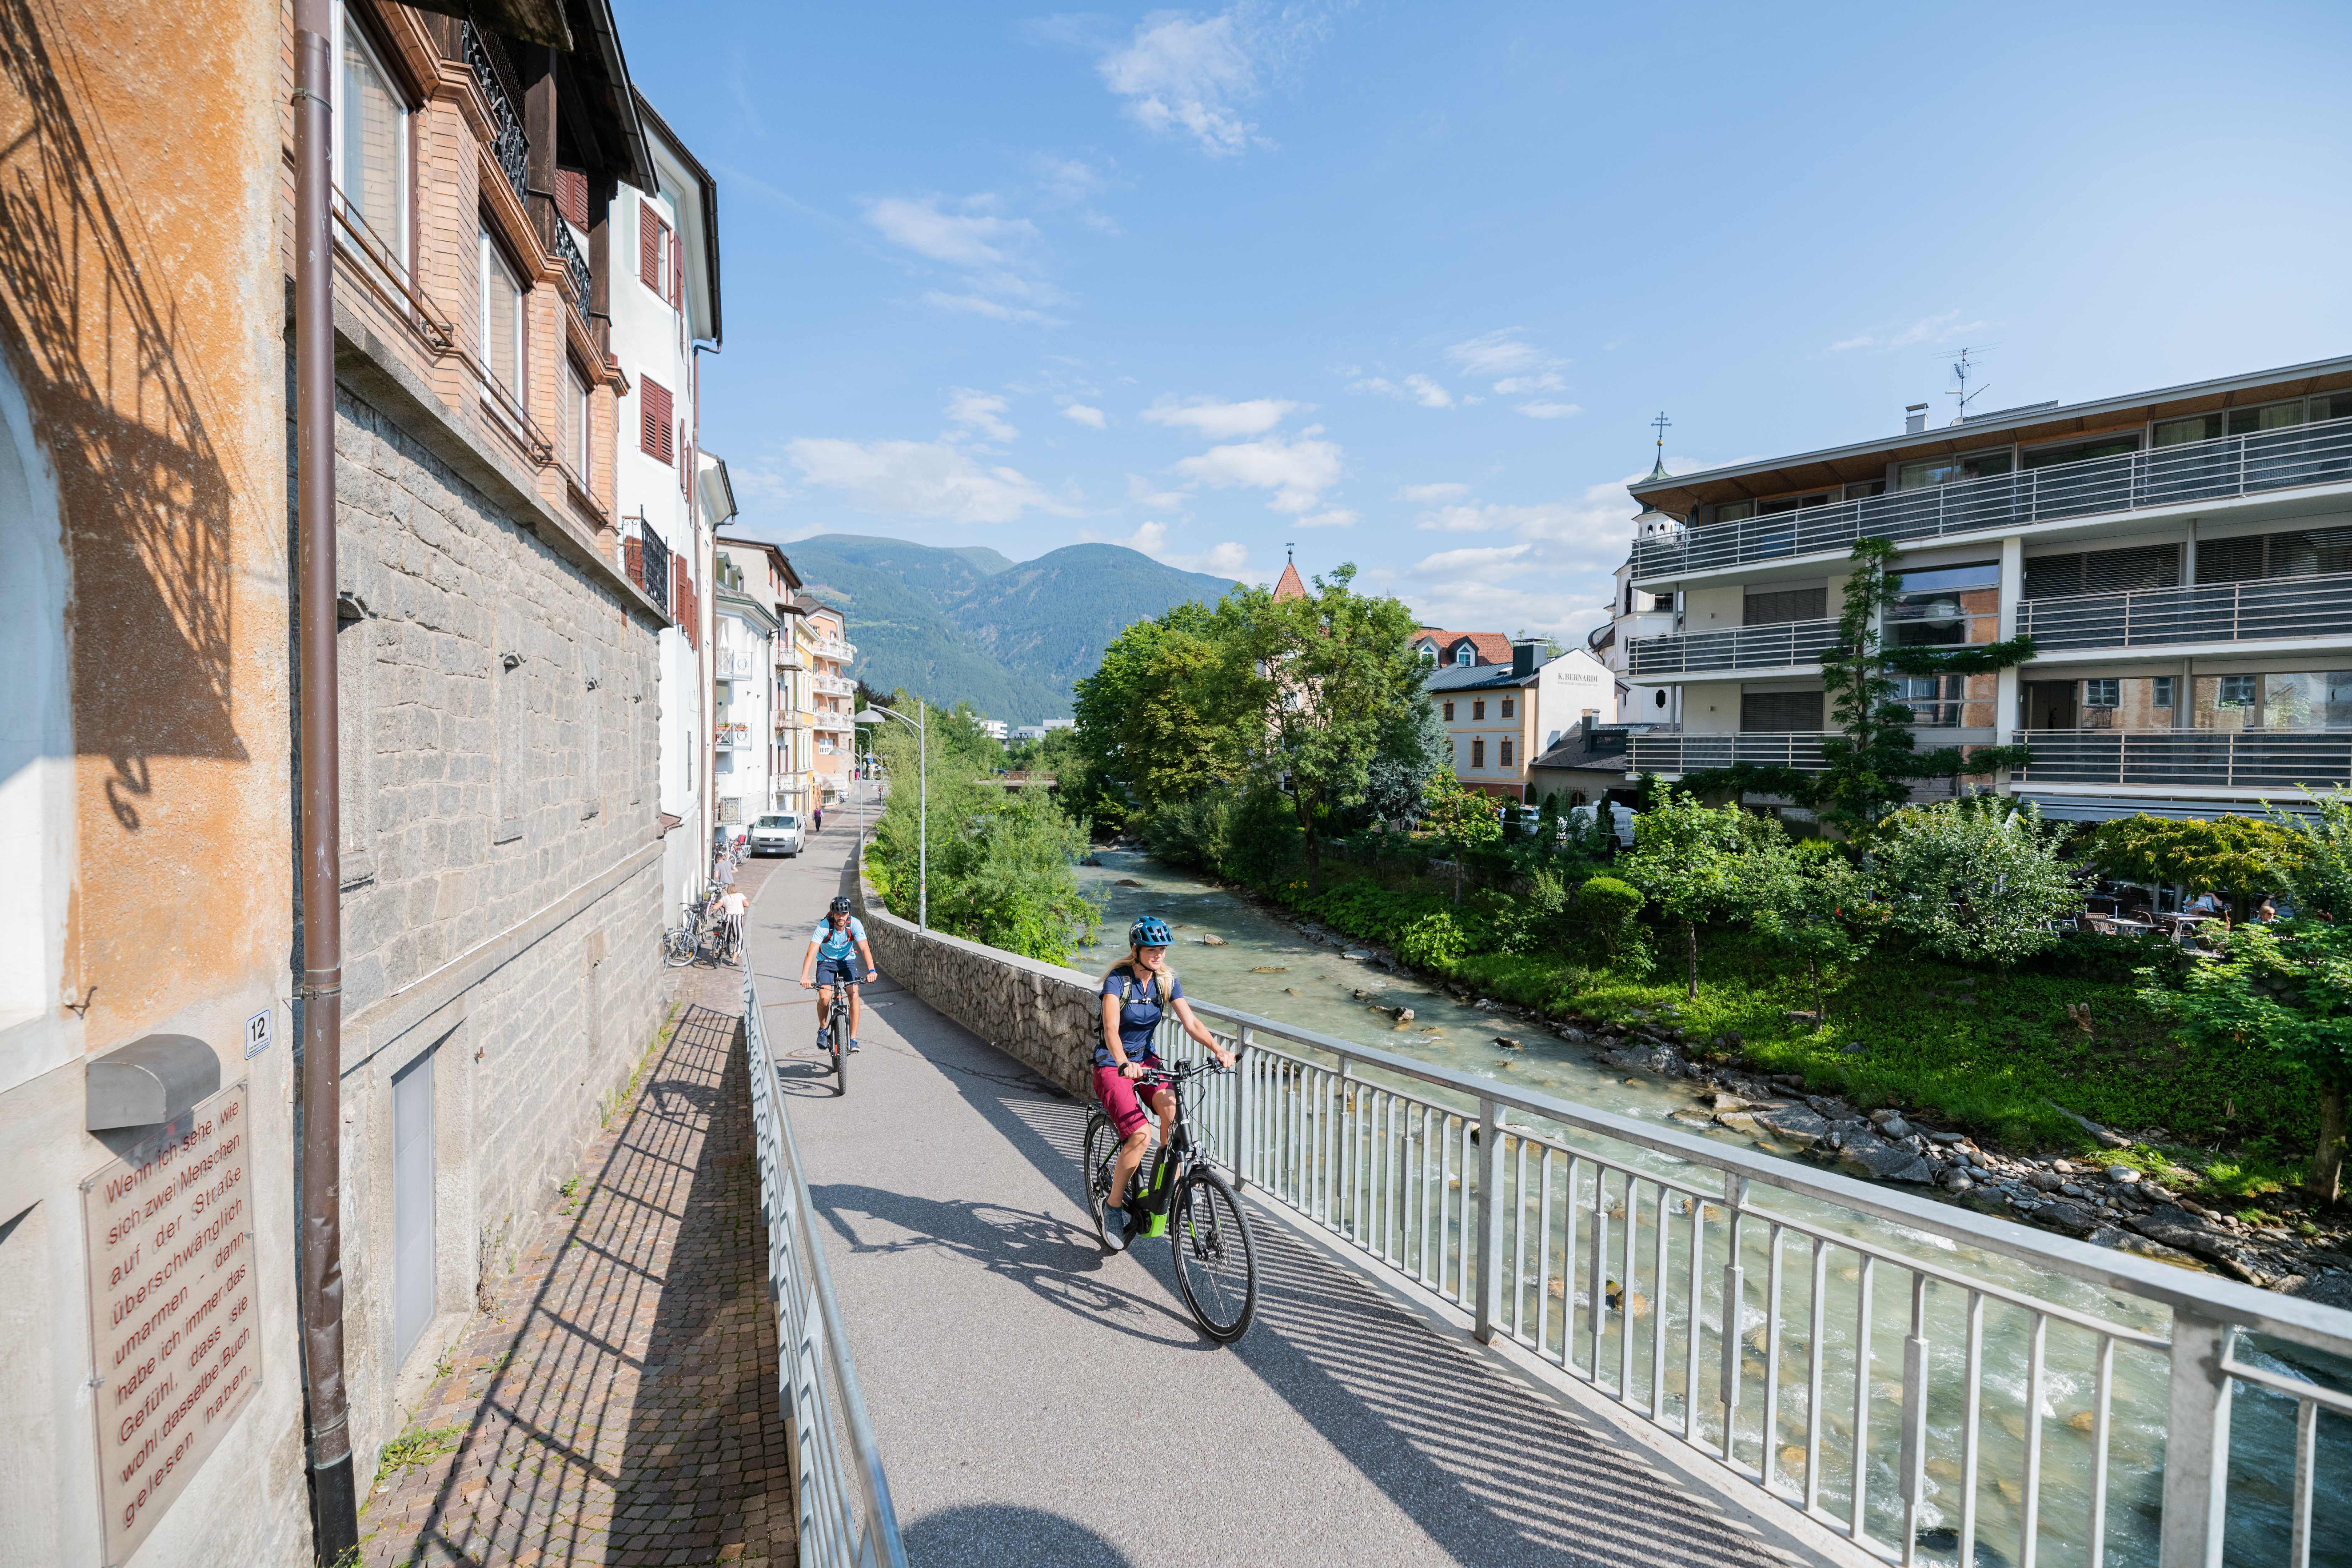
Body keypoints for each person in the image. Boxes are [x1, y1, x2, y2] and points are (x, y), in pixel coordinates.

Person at [1095, 915, 1232, 1251]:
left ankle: (1164, 1187)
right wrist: (1124, 1062)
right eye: (1152, 949)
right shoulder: (1118, 981)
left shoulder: (1166, 981)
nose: (1159, 954)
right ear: (1136, 949)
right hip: (1114, 1065)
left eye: (1163, 949)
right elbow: (1111, 1029)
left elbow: (1191, 1021)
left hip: (1147, 1061)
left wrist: (1217, 1048)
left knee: (1173, 1111)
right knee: (1140, 1134)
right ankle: (1113, 1206)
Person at [800, 895, 877, 1051]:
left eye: (844, 914)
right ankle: (823, 1029)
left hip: (847, 961)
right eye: (838, 914)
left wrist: (872, 970)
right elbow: (811, 953)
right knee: (825, 997)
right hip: (826, 962)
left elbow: (864, 948)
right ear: (833, 914)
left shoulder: (854, 925)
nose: (841, 918)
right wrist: (805, 977)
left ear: (849, 914)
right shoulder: (824, 927)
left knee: (854, 993)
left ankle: (853, 1039)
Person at [718, 884, 748, 963]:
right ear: (736, 890)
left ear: (729, 890)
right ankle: (734, 959)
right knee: (739, 938)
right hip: (737, 918)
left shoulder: (725, 898)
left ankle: (717, 951)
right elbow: (747, 904)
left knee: (724, 936)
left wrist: (724, 906)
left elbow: (715, 907)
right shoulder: (741, 896)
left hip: (727, 918)